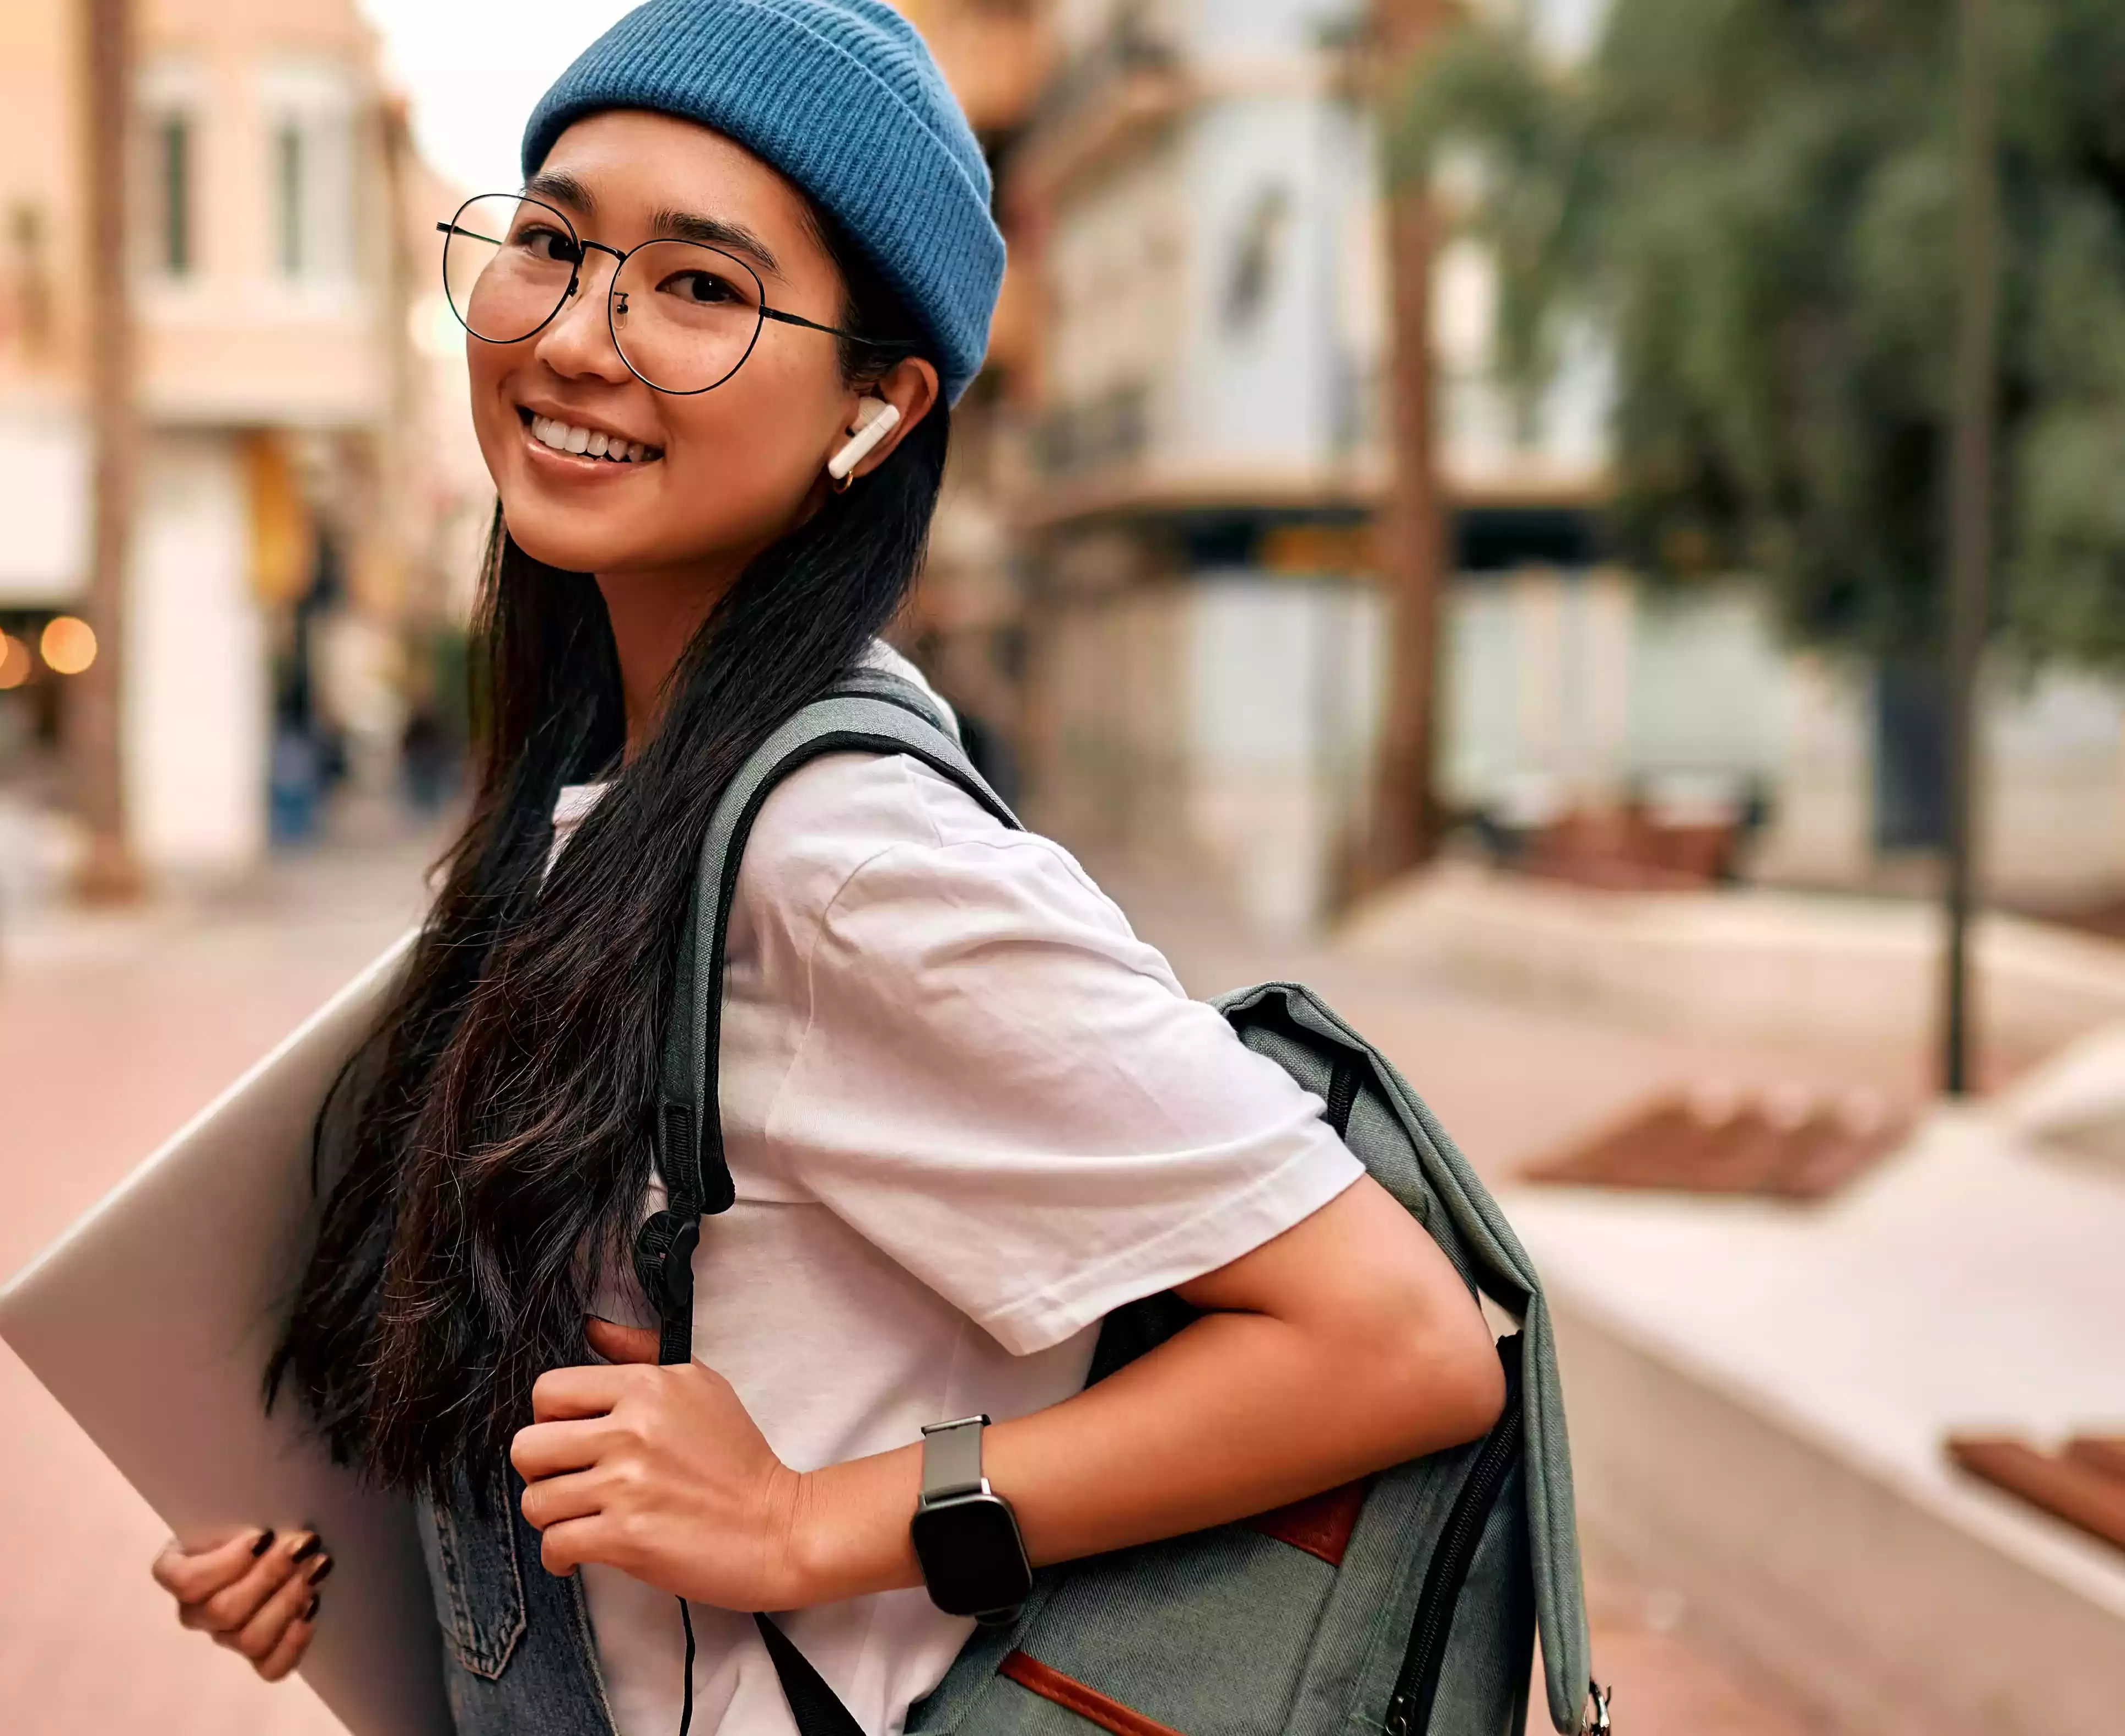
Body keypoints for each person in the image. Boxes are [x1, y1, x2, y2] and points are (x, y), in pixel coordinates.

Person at [149, 4, 1504, 1732]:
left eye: (701, 288)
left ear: (876, 405)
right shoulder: (610, 796)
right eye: (553, 244)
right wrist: (336, 1544)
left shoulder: (842, 853)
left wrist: (805, 1522)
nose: (577, 336)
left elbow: (1396, 1336)